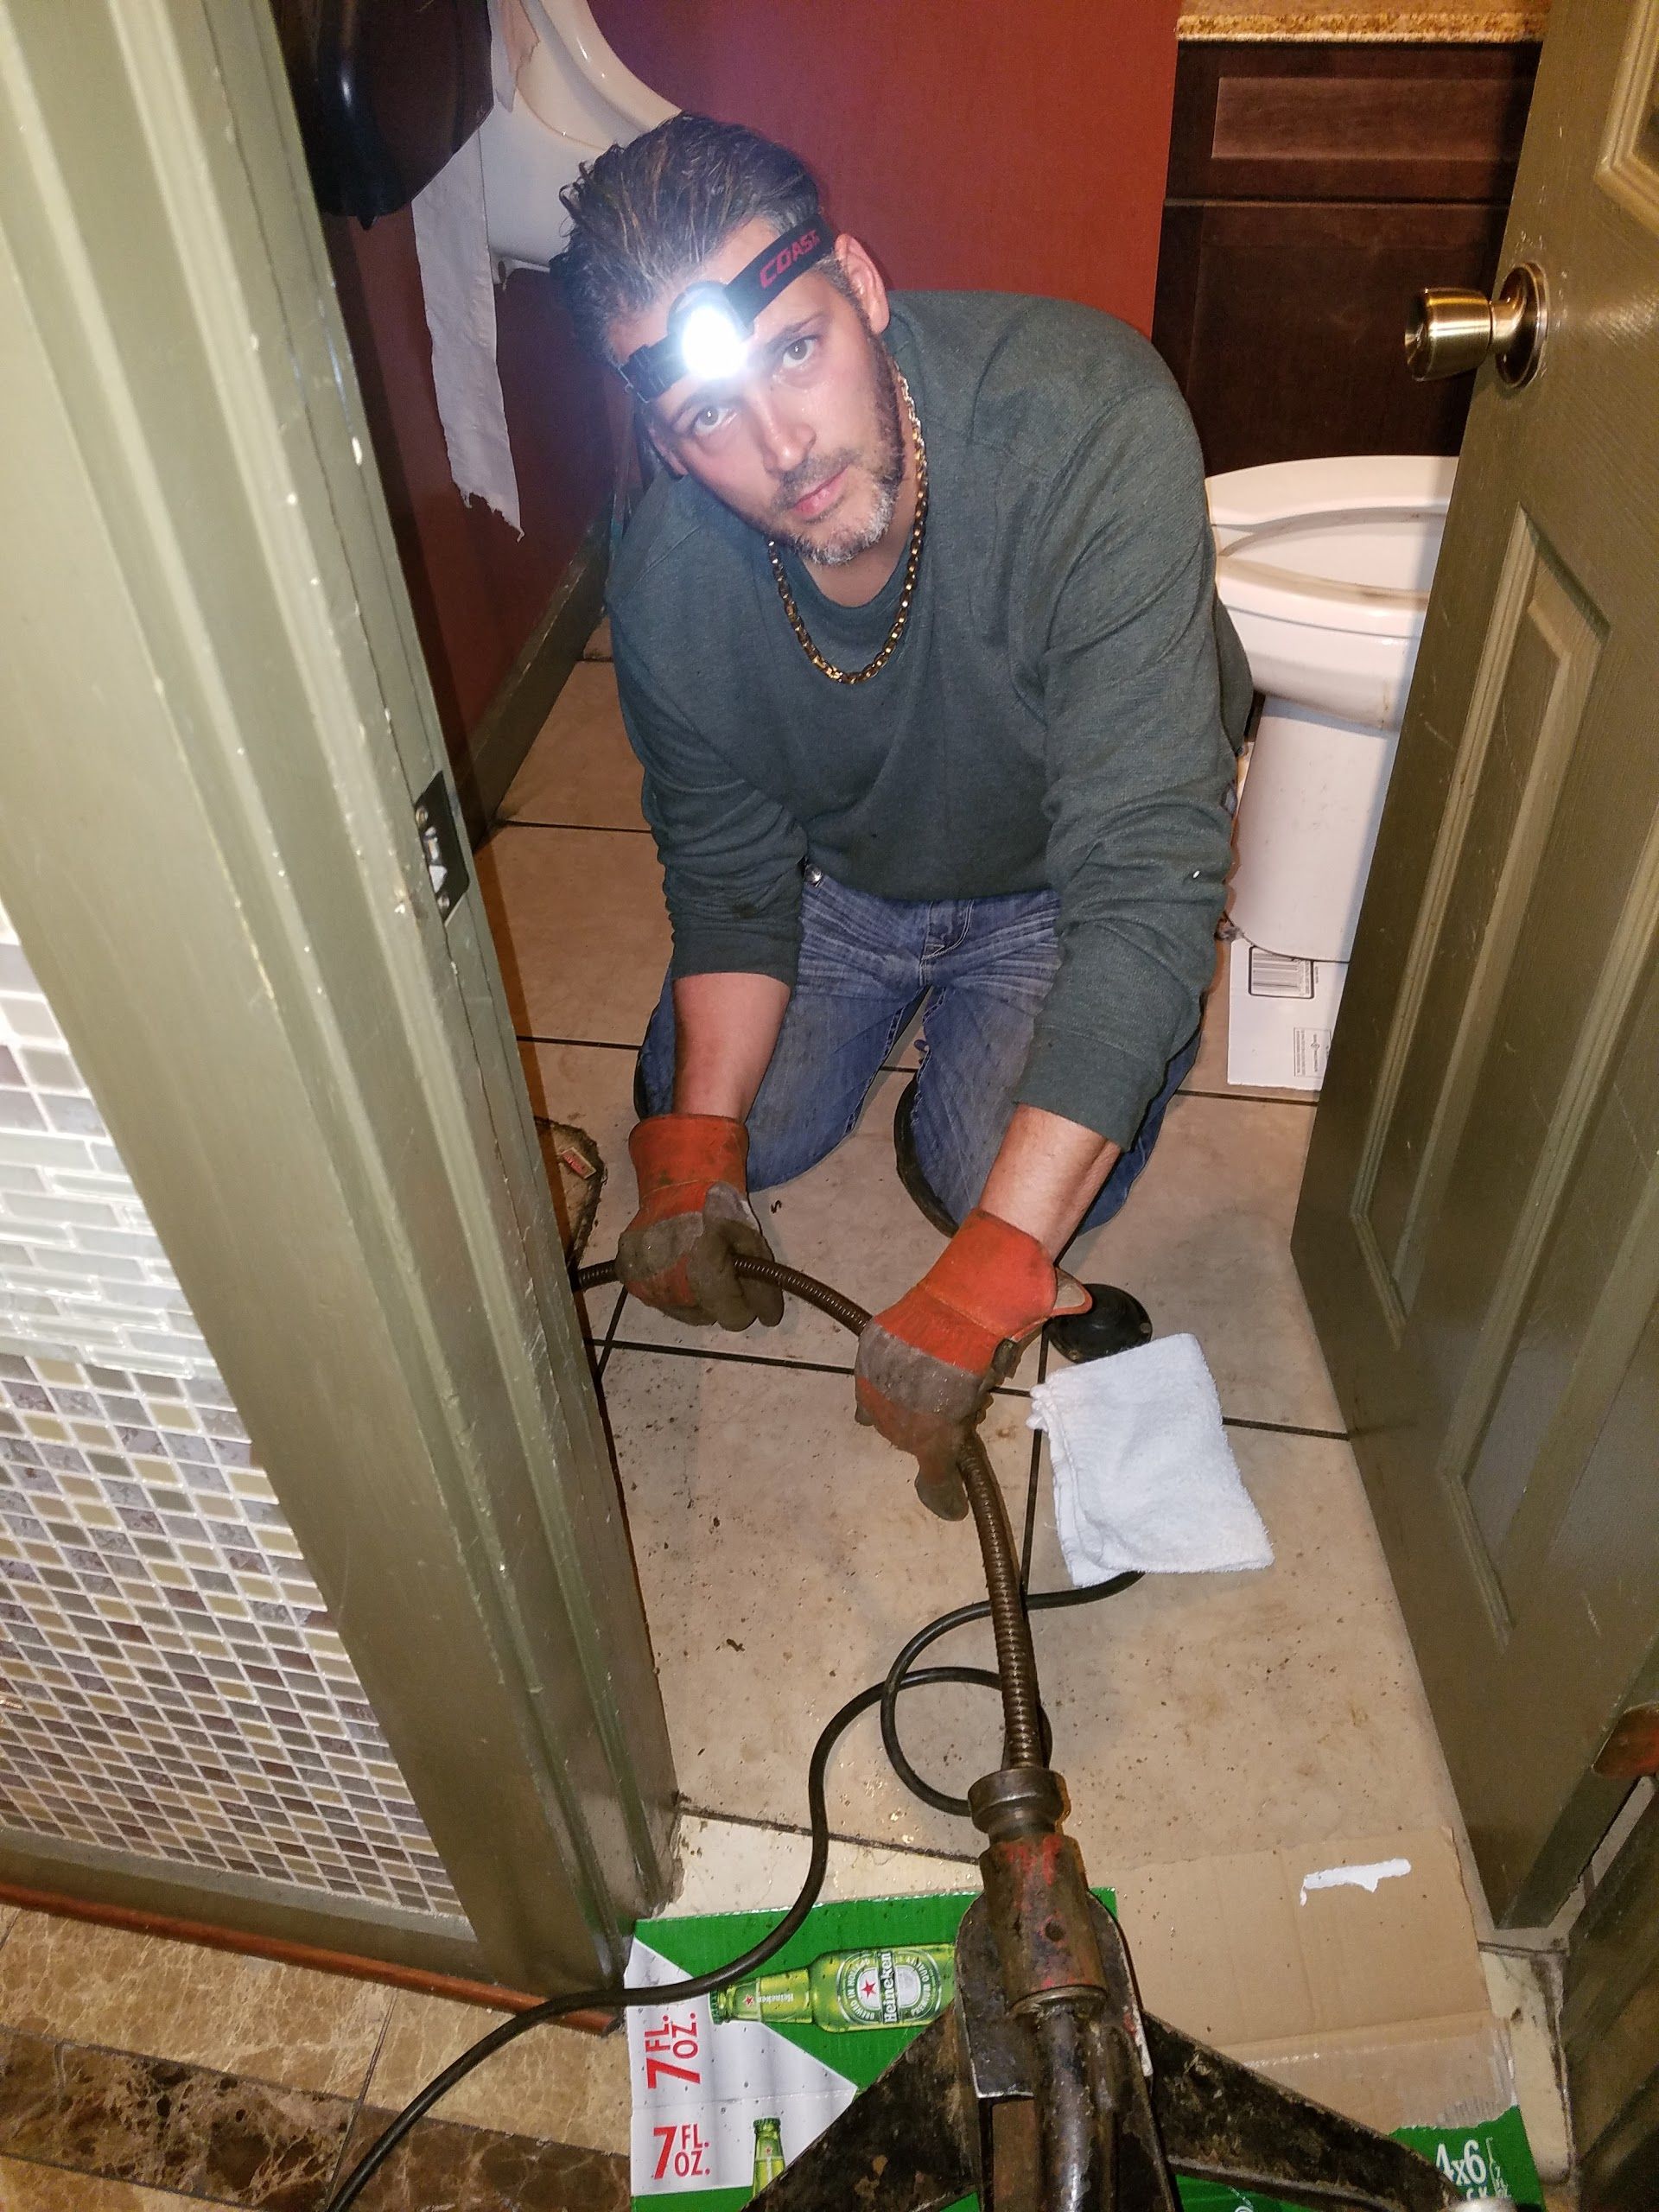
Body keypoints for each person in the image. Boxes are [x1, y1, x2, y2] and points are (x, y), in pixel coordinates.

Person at [553, 115, 1251, 1510]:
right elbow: (732, 877)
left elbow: (1146, 871)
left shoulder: (1084, 422)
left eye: (796, 351)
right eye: (709, 418)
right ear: (669, 444)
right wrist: (694, 1150)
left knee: (983, 1175)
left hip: (1058, 869)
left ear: (861, 288)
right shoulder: (671, 585)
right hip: (846, 877)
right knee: (730, 1124)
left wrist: (998, 1262)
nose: (782, 444)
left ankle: (991, 1107)